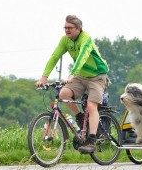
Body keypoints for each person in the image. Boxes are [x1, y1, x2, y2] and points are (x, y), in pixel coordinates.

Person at [36, 15, 109, 154]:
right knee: (64, 93)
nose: (67, 30)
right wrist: (44, 77)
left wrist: (72, 73)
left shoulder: (85, 38)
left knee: (91, 105)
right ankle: (80, 117)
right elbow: (55, 56)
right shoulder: (65, 40)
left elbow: (82, 56)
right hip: (81, 75)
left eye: (70, 28)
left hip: (97, 76)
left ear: (78, 29)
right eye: (65, 28)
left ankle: (92, 140)